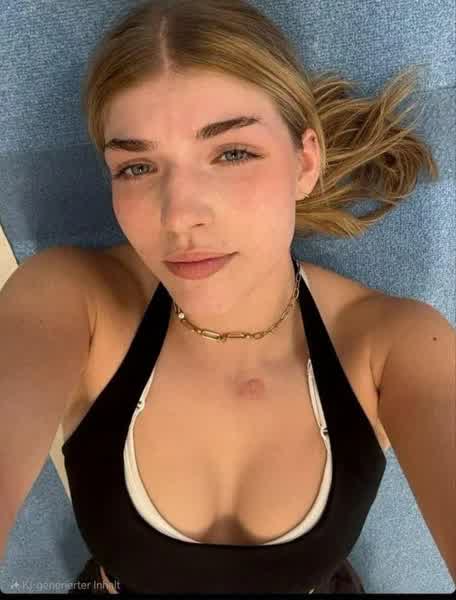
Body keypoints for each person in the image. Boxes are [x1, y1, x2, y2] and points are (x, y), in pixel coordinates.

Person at [2, 0, 452, 595]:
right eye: (136, 166)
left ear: (304, 162)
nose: (178, 216)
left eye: (232, 153)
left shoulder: (395, 346)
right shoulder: (70, 302)